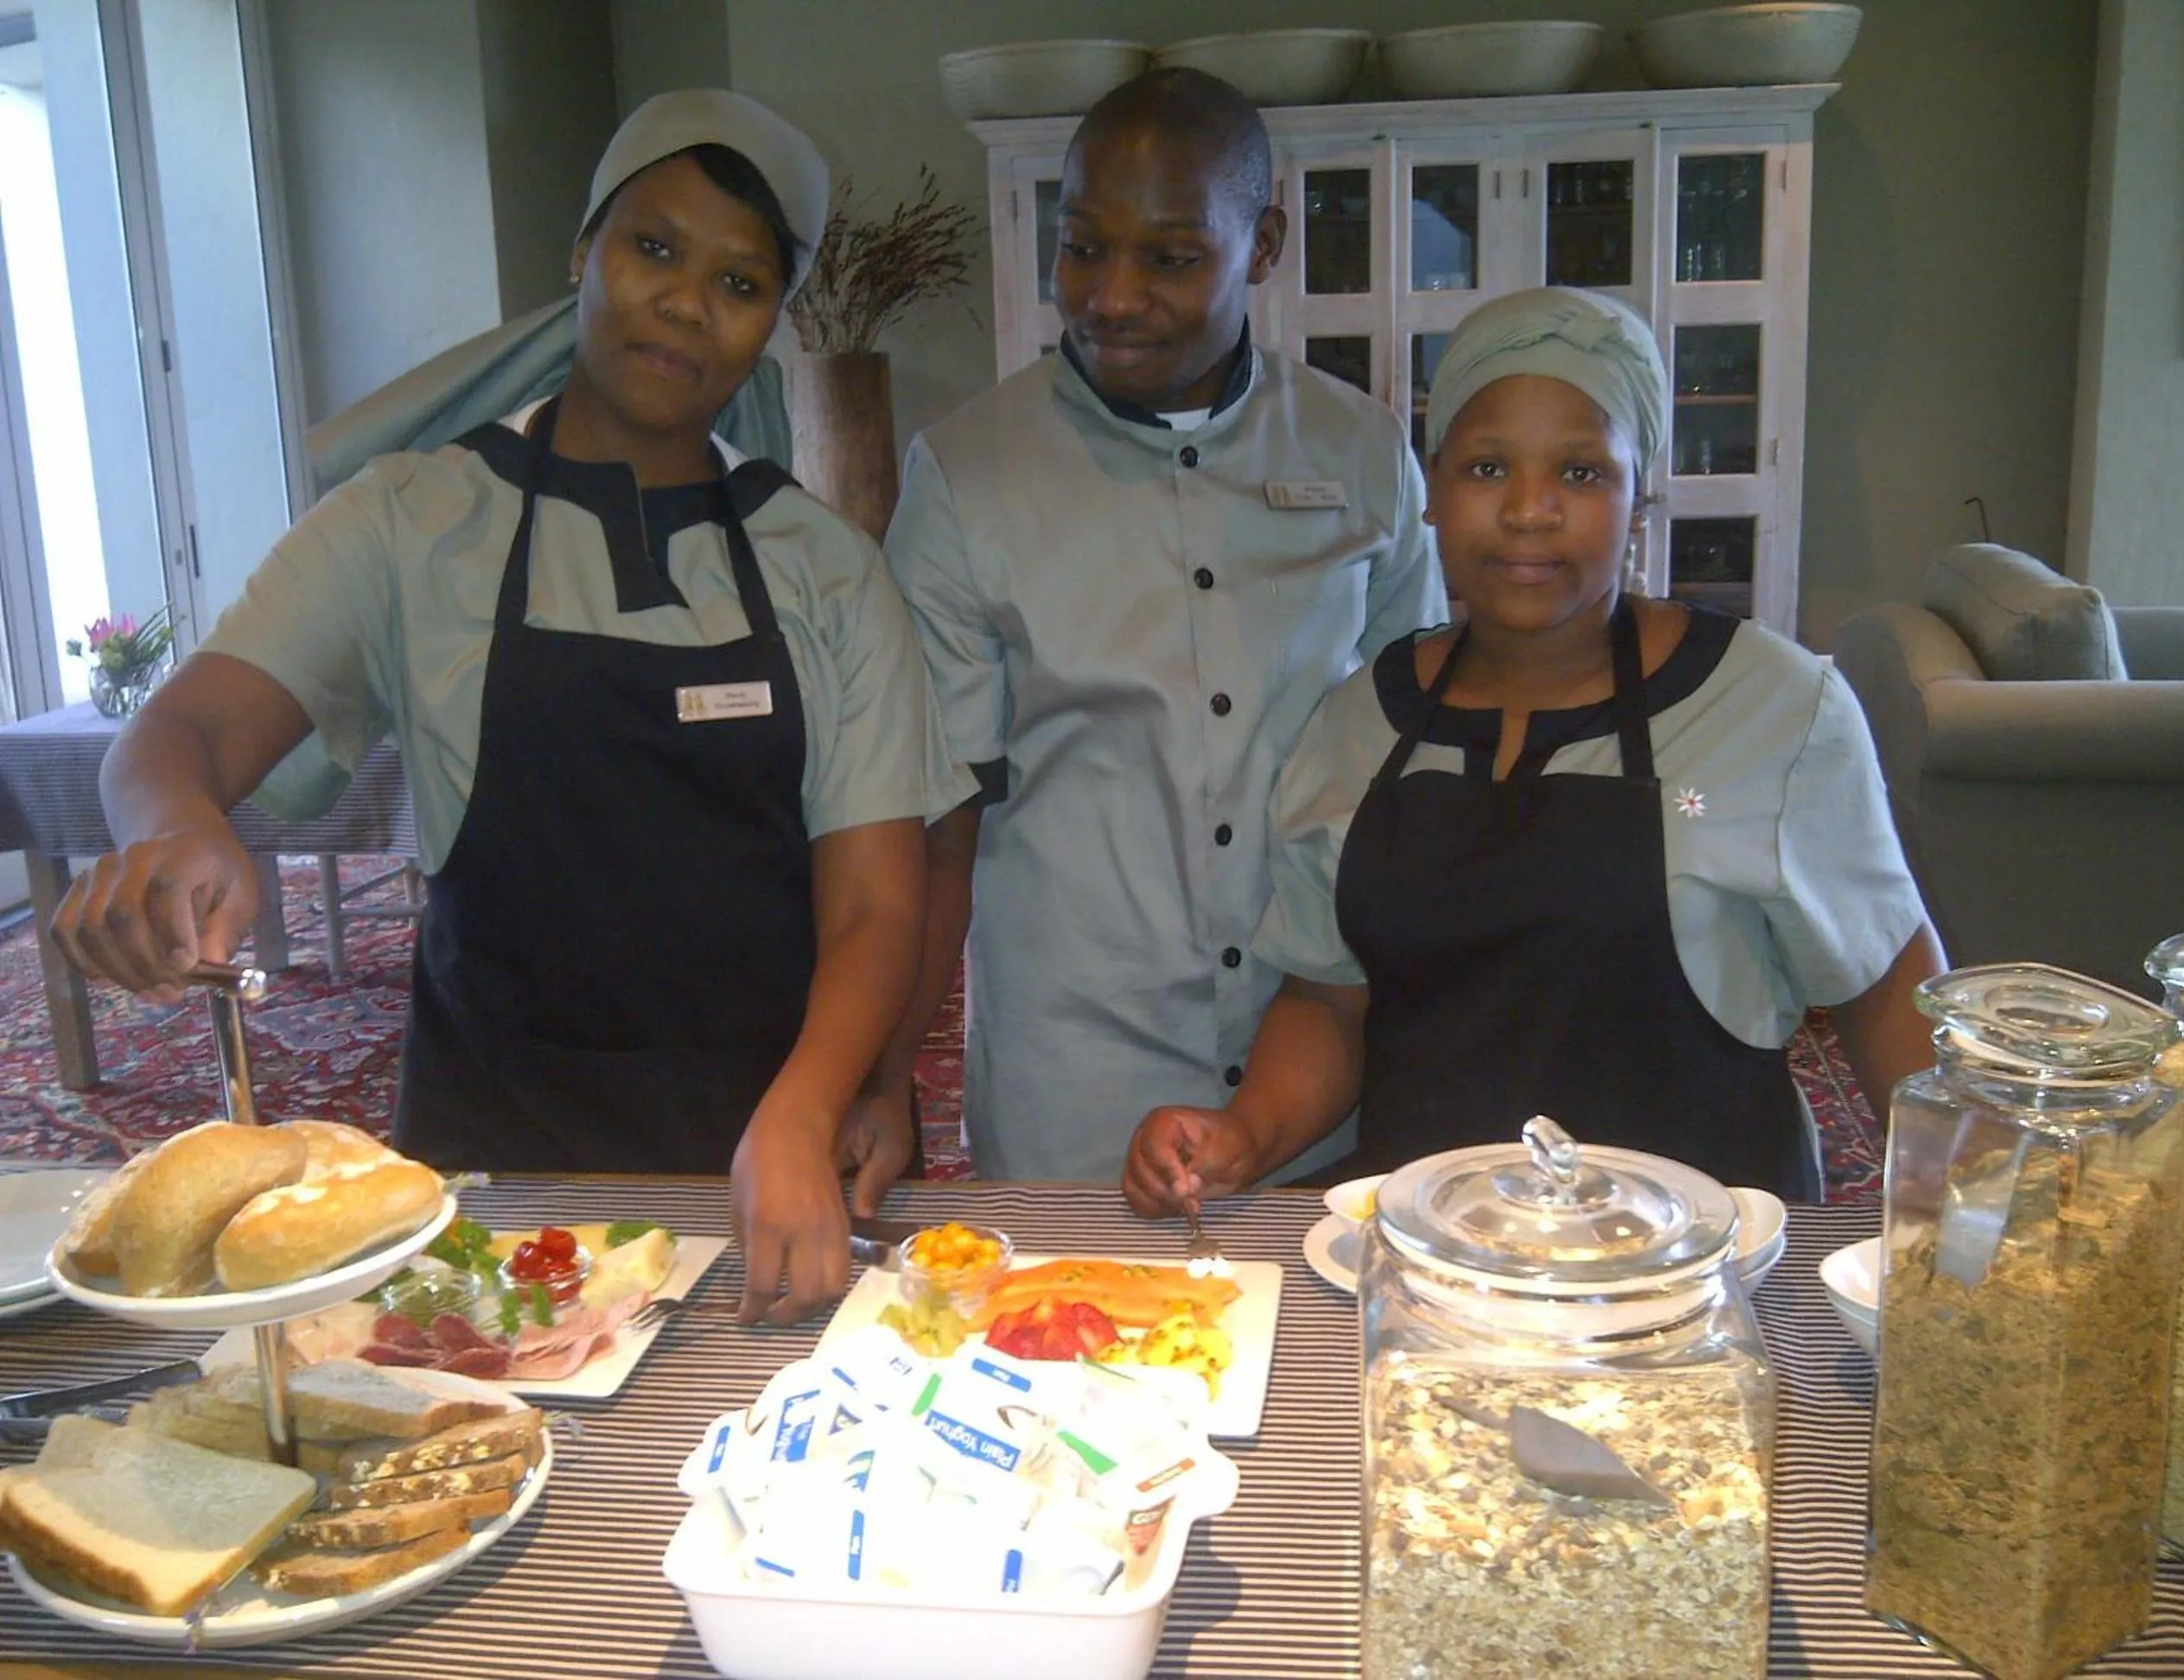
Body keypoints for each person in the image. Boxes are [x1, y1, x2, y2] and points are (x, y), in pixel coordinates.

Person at [48, 91, 969, 1324]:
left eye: (741, 283)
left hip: (762, 1149)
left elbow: (872, 905)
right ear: (579, 252)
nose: (689, 302)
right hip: (486, 1155)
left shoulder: (825, 568)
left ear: (769, 325)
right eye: (653, 248)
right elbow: (185, 730)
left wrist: (808, 1111)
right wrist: (174, 822)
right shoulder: (409, 520)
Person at [1125, 286, 1943, 1212]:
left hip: (1696, 1267)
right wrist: (1244, 1133)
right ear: (1430, 493)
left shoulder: (1776, 710)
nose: (1528, 511)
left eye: (1582, 474)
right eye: (1484, 468)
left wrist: (1962, 1219)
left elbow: (1886, 992)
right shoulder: (1359, 724)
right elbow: (1330, 1004)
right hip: (1435, 1257)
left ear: (1641, 496)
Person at [879, 69, 1445, 1182]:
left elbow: (1409, 765)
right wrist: (885, 1075)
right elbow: (933, 819)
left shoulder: (1363, 456)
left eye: (1171, 257)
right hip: (1074, 1080)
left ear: (1265, 243)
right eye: (1083, 246)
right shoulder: (967, 476)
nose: (1113, 296)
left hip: (1318, 1057)